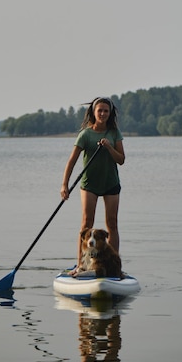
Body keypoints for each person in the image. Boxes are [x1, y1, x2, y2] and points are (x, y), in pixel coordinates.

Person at [60, 97, 125, 274]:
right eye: (100, 110)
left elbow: (121, 160)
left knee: (112, 224)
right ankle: (81, 264)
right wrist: (64, 185)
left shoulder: (114, 133)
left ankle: (114, 265)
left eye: (106, 111)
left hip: (111, 184)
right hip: (89, 185)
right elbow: (71, 162)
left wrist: (110, 147)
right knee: (86, 224)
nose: (103, 113)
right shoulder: (86, 135)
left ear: (109, 113)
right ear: (93, 113)